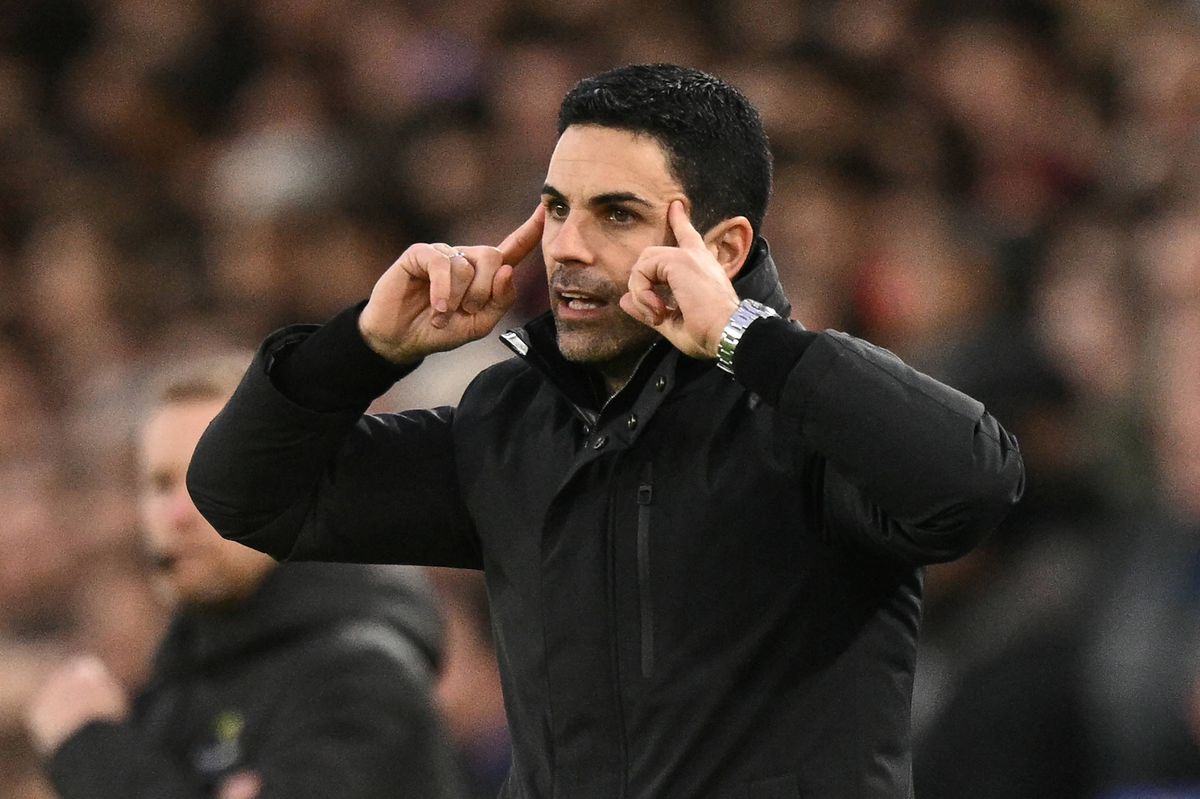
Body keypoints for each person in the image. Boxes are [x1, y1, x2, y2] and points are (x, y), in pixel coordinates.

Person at [187, 64, 1025, 798]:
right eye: (557, 207)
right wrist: (362, 349)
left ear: (724, 247)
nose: (566, 247)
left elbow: (972, 484)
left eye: (615, 215)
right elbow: (246, 496)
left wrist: (749, 340)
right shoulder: (508, 425)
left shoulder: (804, 416)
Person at [25, 354, 465, 799]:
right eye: (160, 484)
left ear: (297, 486)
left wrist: (97, 758)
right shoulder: (170, 693)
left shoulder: (362, 676)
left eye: (212, 477)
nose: (177, 514)